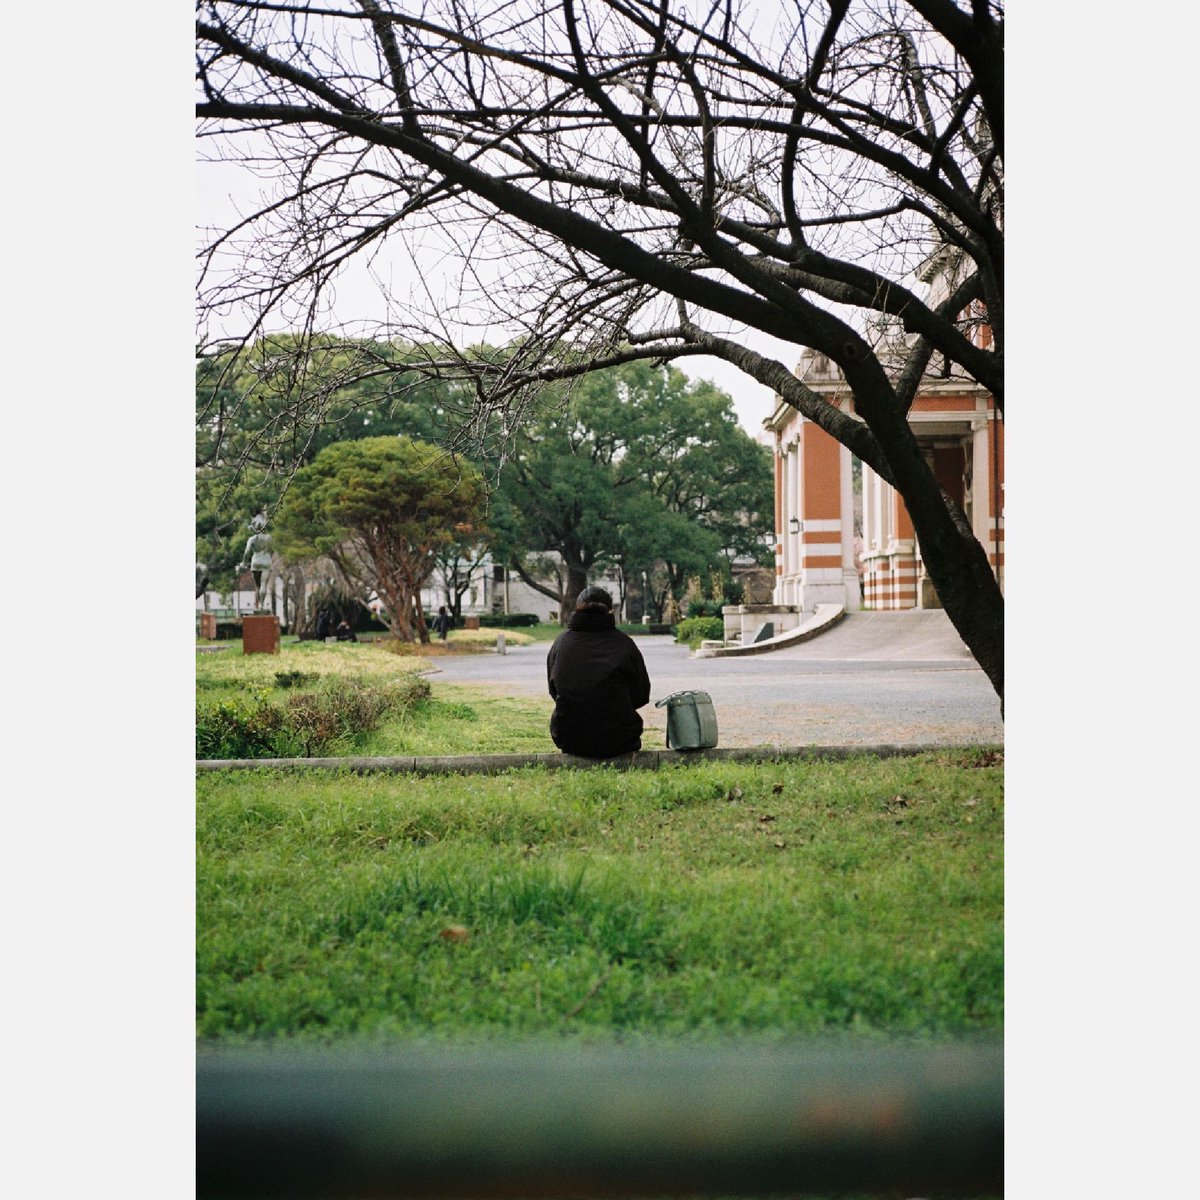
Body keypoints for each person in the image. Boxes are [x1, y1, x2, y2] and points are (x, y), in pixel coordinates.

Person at [546, 585, 651, 758]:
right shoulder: (625, 644)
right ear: (610, 611)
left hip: (570, 737)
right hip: (619, 738)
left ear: (577, 608)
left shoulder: (561, 644)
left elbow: (555, 690)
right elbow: (641, 695)